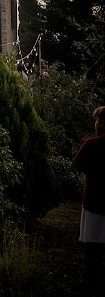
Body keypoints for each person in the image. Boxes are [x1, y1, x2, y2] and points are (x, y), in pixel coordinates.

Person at [74, 106, 105, 294]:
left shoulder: (92, 144)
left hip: (94, 202)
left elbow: (77, 164)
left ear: (101, 123)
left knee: (92, 255)